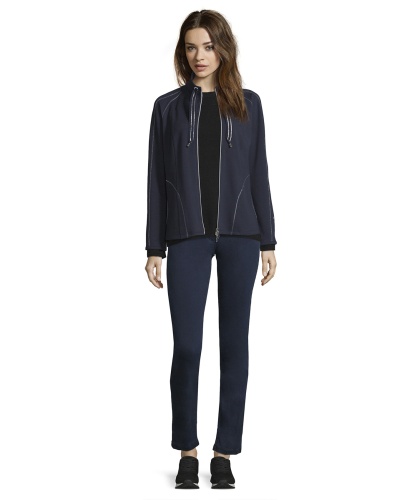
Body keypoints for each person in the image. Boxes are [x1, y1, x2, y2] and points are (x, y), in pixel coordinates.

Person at [144, 9, 277, 489]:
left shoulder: (249, 103)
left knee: (234, 345)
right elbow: (156, 180)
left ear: (223, 48)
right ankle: (187, 450)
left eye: (207, 46)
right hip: (187, 237)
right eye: (191, 47)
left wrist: (268, 240)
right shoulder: (167, 108)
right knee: (187, 346)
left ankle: (223, 454)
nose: (199, 56)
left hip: (242, 236)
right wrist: (154, 246)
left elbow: (259, 173)